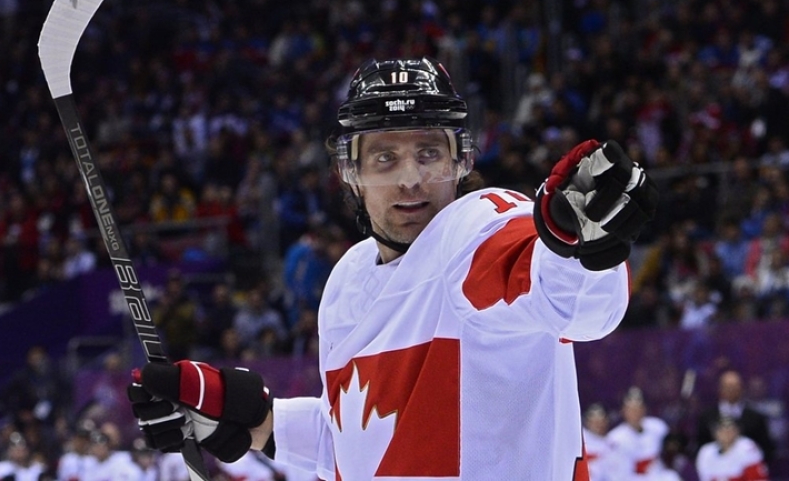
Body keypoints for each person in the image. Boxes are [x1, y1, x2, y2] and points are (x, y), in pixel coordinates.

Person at [127, 57, 658, 480]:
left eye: (430, 152)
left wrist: (575, 242)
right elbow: (358, 447)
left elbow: (577, 308)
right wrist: (247, 417)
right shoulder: (345, 285)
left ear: (461, 161)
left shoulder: (478, 231)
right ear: (349, 172)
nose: (411, 178)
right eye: (385, 157)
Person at [695, 369, 775, 465]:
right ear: (720, 389)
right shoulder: (707, 417)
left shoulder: (756, 418)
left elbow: (766, 449)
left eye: (735, 386)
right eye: (728, 386)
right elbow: (701, 448)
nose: (732, 390)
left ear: (742, 388)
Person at [606, 387, 670, 478]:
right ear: (623, 411)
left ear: (644, 409)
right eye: (631, 409)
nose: (635, 413)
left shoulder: (658, 427)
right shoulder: (615, 439)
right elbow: (618, 476)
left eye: (638, 408)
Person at [695, 417, 769, 481]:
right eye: (722, 430)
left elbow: (758, 478)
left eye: (730, 429)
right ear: (715, 433)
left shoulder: (747, 446)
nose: (726, 433)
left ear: (737, 431)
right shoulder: (706, 451)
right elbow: (704, 478)